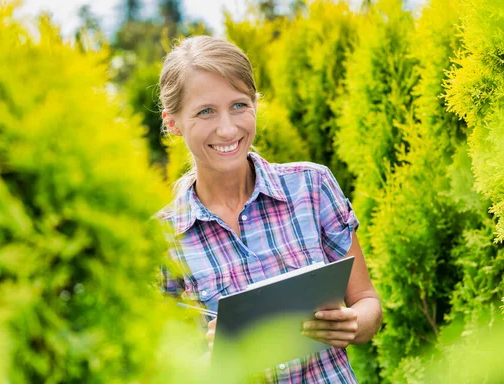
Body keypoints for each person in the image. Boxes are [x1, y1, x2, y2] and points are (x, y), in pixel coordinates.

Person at [156, 35, 382, 383]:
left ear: (255, 105)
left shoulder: (312, 186)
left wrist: (354, 324)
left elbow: (366, 301)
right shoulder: (161, 239)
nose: (228, 128)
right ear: (173, 123)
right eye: (205, 112)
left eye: (239, 105)